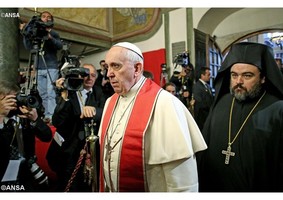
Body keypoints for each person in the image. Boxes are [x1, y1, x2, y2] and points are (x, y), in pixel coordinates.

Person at [98, 42, 207, 192]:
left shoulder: (165, 103)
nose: (108, 73)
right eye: (107, 67)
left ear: (137, 68)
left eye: (116, 66)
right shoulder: (110, 102)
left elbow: (183, 183)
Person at [197, 42, 283, 192]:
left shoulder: (277, 109)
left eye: (247, 75)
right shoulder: (221, 103)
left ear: (263, 78)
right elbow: (205, 148)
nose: (238, 82)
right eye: (234, 75)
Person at [46, 63, 105, 192]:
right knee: (68, 185)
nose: (89, 78)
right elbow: (57, 121)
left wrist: (94, 110)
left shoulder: (99, 91)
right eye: (85, 75)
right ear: (79, 76)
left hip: (89, 151)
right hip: (67, 151)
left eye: (93, 75)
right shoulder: (69, 91)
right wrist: (64, 96)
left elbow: (106, 111)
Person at [0, 80, 52, 191]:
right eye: (10, 99)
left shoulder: (24, 116)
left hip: (25, 172)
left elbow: (47, 136)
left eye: (17, 98)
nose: (15, 103)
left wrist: (35, 120)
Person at [22, 11, 63, 123]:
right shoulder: (36, 33)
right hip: (39, 67)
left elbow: (59, 46)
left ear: (51, 20)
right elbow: (29, 47)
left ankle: (52, 116)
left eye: (48, 17)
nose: (46, 18)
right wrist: (25, 34)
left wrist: (50, 37)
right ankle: (46, 114)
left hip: (51, 67)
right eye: (44, 16)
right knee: (43, 93)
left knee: (51, 93)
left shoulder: (54, 33)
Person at [192, 67, 214, 131]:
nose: (210, 76)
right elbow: (199, 102)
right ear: (202, 75)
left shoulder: (207, 86)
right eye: (208, 75)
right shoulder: (197, 86)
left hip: (208, 115)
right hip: (202, 117)